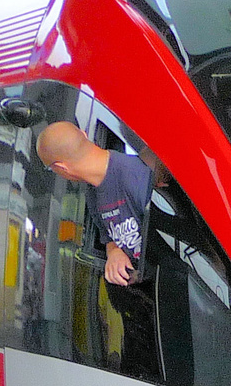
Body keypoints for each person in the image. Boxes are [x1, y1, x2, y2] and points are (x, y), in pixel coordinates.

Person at [35, 121, 155, 286]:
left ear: (61, 168)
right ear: (84, 135)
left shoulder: (136, 176)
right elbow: (108, 236)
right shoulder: (93, 192)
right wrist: (114, 252)